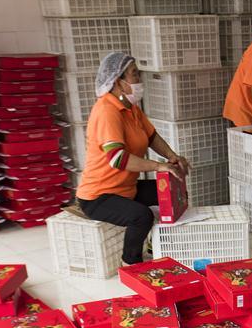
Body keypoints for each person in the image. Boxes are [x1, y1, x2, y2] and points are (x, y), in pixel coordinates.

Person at [76, 52, 191, 265]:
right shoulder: (106, 111)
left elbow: (151, 137)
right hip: (99, 196)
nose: (139, 80)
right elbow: (117, 159)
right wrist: (158, 166)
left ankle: (156, 244)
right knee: (141, 216)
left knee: (173, 191)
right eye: (134, 75)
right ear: (118, 82)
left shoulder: (131, 109)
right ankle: (131, 262)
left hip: (125, 188)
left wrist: (172, 157)